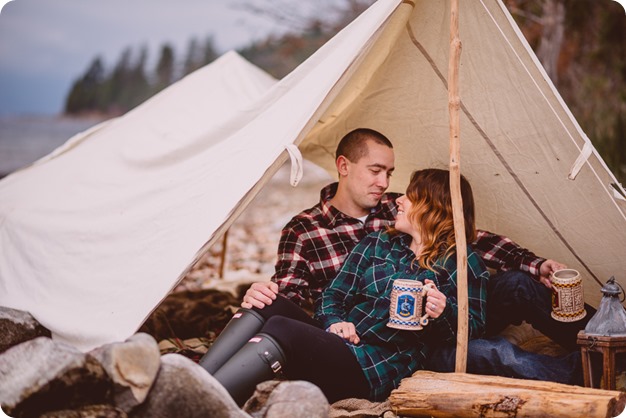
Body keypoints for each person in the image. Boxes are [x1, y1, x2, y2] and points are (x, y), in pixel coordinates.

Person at [199, 128, 588, 388]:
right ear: (344, 167)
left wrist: (533, 263)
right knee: (271, 309)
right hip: (340, 331)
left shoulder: (395, 215)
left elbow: (466, 237)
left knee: (514, 293)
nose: (386, 184)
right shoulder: (307, 230)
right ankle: (198, 381)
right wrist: (273, 296)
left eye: (390, 173)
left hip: (403, 337)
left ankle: (600, 343)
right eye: (375, 171)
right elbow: (298, 294)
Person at [200, 169, 489, 405]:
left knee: (282, 328)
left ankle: (203, 406)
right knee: (268, 302)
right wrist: (335, 321)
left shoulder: (463, 262)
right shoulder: (379, 242)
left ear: (433, 207)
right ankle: (196, 381)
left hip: (376, 366)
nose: (399, 199)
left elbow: (474, 327)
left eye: (410, 196)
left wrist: (443, 311)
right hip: (339, 343)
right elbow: (333, 294)